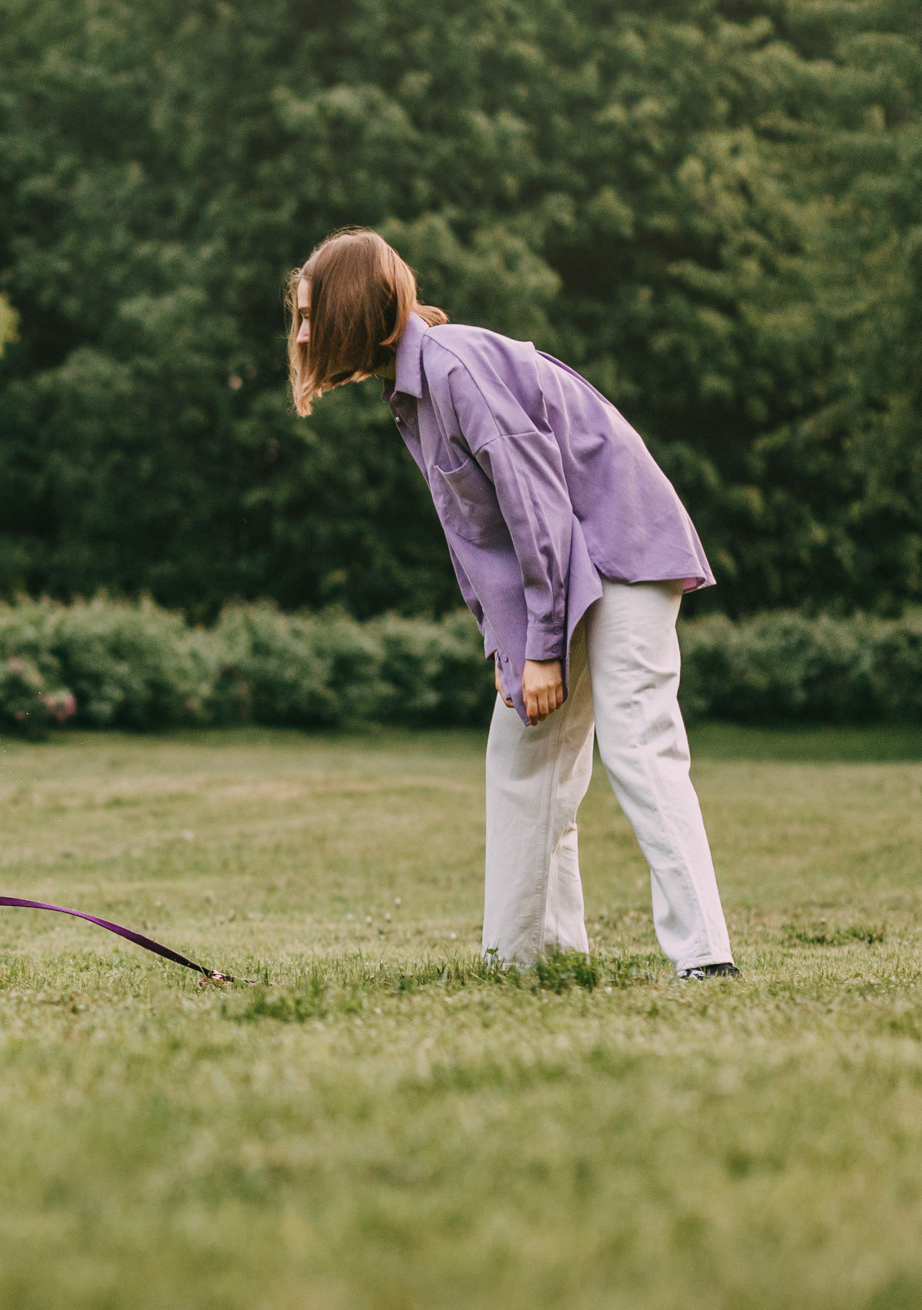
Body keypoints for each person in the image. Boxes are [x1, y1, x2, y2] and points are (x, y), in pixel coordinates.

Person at [287, 227, 737, 979]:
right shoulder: (413, 394)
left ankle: (705, 957)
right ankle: (530, 959)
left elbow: (539, 510)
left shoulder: (454, 366)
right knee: (525, 757)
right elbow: (479, 542)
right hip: (566, 565)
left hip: (619, 548)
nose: (303, 334)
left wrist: (542, 648)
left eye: (311, 314)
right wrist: (511, 649)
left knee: (637, 743)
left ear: (355, 306)